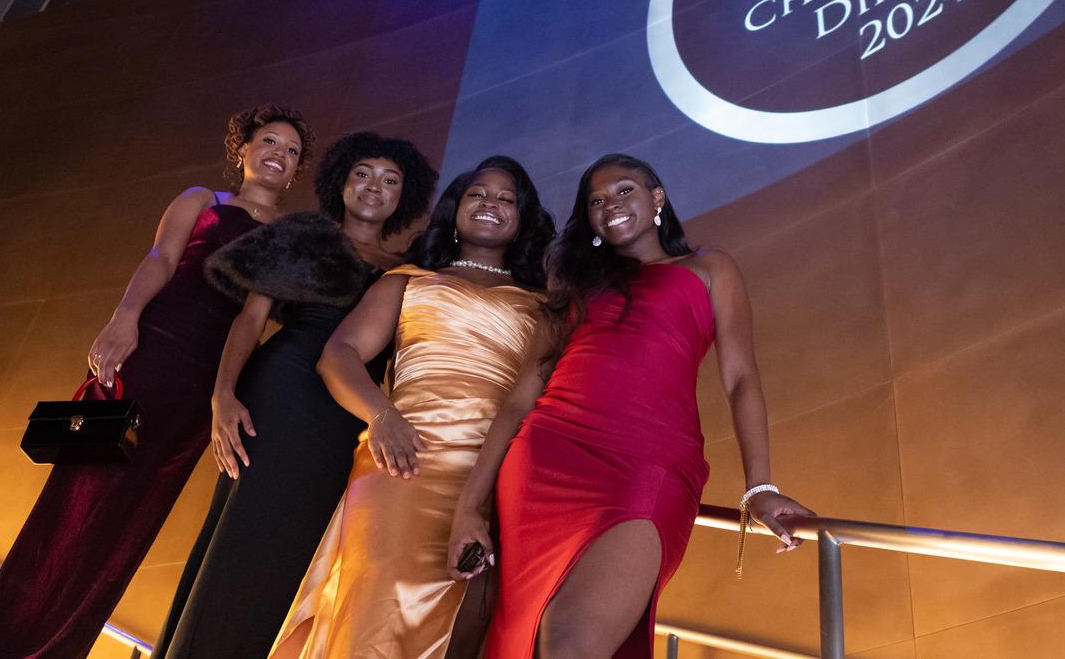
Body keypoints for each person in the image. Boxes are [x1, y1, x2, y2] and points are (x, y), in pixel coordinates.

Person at [449, 153, 813, 659]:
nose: (610, 206)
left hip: (650, 463)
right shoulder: (577, 285)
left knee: (570, 640)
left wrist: (761, 486)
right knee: (526, 639)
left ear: (656, 197)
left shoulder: (709, 268)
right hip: (545, 460)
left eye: (624, 191)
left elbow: (741, 378)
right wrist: (468, 508)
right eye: (596, 201)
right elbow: (520, 399)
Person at [0, 105, 312, 659]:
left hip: (201, 388)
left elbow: (252, 319)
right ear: (243, 150)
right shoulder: (200, 201)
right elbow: (161, 259)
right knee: (74, 498)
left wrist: (223, 392)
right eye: (270, 142)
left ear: (297, 169)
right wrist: (122, 320)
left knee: (130, 522)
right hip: (148, 353)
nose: (278, 155)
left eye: (291, 151)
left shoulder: (290, 236)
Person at [152, 132, 438, 659]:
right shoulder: (301, 234)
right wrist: (223, 396)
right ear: (341, 183)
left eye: (390, 179)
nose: (375, 186)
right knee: (248, 537)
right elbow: (250, 321)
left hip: (351, 413)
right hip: (283, 391)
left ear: (406, 195)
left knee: (302, 550)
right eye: (362, 174)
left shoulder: (410, 265)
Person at [270, 157, 553, 659]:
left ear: (524, 219)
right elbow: (338, 355)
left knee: (465, 629)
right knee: (376, 610)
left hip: (494, 474)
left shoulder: (544, 306)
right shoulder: (408, 280)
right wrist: (381, 416)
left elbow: (531, 401)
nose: (490, 203)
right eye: (477, 194)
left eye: (506, 198)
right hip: (403, 459)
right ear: (455, 209)